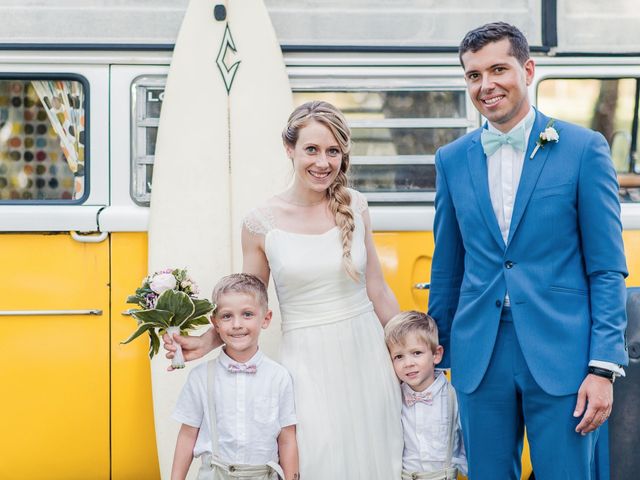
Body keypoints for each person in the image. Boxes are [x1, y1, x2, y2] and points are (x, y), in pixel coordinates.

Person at [427, 22, 628, 479]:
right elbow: (448, 266)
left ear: (529, 70)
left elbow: (607, 269)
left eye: (499, 69)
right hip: (479, 355)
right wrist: (436, 354)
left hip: (565, 355)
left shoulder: (584, 149)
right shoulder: (452, 159)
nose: (486, 84)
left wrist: (603, 366)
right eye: (474, 75)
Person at [166, 100, 403, 479]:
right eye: (311, 149)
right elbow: (249, 302)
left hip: (367, 353)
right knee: (314, 457)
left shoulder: (356, 206)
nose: (322, 162)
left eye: (333, 151)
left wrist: (415, 350)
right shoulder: (261, 223)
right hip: (306, 361)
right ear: (289, 149)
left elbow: (378, 290)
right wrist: (205, 342)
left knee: (378, 456)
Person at [170, 273, 298, 480]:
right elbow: (187, 435)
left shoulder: (279, 377)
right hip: (214, 474)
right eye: (227, 316)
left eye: (247, 314)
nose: (237, 324)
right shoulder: (200, 377)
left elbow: (287, 438)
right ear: (216, 323)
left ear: (266, 319)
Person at [384, 311, 467, 479]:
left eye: (417, 353)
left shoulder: (454, 397)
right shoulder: (394, 398)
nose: (408, 363)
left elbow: (467, 448)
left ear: (436, 354)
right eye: (399, 356)